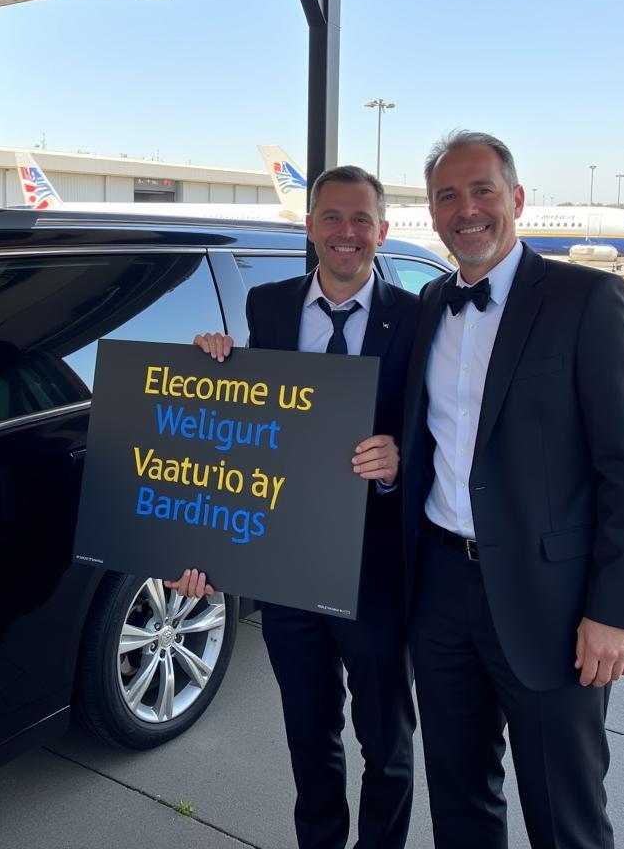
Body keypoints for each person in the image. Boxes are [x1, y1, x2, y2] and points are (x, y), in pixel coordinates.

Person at [401, 130, 624, 849]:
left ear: (516, 199)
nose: (467, 209)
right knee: (459, 798)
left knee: (564, 813)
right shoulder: (429, 304)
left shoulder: (589, 299)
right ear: (432, 212)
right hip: (442, 591)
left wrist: (617, 609)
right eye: (448, 196)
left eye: (482, 190)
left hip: (555, 603)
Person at [170, 165, 419, 849]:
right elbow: (246, 434)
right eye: (332, 218)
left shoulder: (415, 318)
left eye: (361, 220)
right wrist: (212, 366)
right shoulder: (271, 308)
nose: (346, 233)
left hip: (373, 576)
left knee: (388, 745)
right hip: (288, 578)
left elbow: (440, 434)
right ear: (309, 228)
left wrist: (398, 463)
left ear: (382, 231)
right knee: (309, 738)